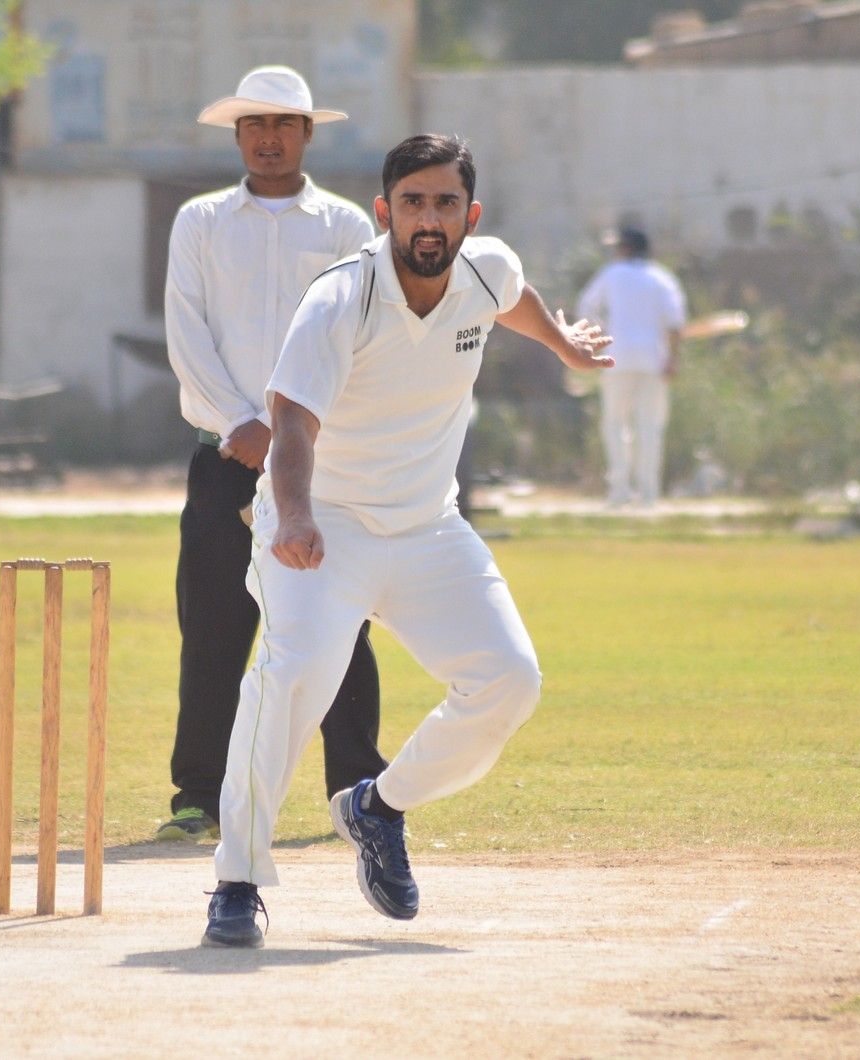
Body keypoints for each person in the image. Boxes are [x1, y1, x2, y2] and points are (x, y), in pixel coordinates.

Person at [202, 134, 615, 948]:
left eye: (446, 204)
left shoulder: (488, 268)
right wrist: (295, 515)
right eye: (414, 203)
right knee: (293, 678)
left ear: (471, 215)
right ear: (385, 212)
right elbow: (292, 422)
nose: (430, 220)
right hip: (323, 525)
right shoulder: (341, 299)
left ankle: (377, 806)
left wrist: (563, 344)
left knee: (510, 681)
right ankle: (237, 880)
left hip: (428, 526)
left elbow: (515, 297)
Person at [158, 66, 387, 843]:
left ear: (307, 133)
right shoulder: (201, 221)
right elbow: (186, 335)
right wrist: (242, 424)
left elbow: (360, 338)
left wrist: (287, 429)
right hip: (224, 457)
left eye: (284, 124)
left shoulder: (346, 226)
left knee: (340, 626)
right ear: (237, 135)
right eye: (254, 124)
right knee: (215, 629)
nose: (268, 138)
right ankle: (199, 796)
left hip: (321, 461)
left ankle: (358, 794)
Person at [576, 226, 687, 507]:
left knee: (615, 425)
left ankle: (620, 492)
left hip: (617, 357)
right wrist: (673, 358)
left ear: (626, 248)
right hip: (653, 359)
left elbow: (586, 307)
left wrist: (601, 334)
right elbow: (675, 323)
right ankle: (648, 495)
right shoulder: (661, 278)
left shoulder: (612, 274)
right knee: (649, 427)